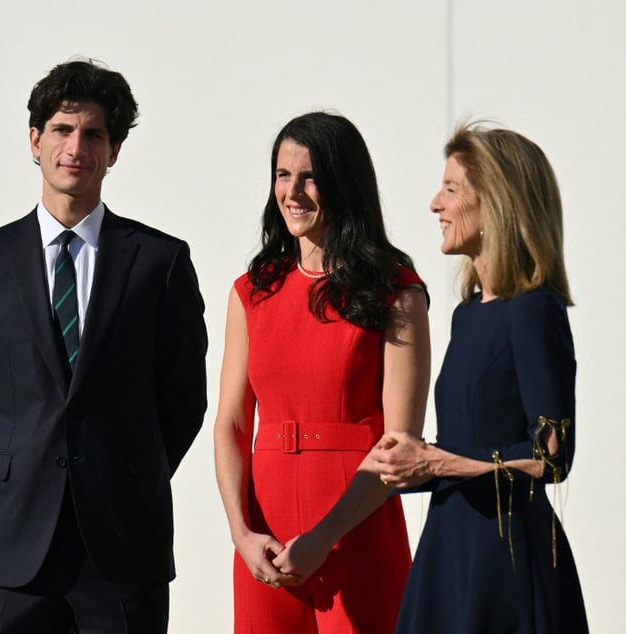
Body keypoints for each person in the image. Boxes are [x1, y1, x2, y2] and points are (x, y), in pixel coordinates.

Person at [0, 59, 208, 634]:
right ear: (35, 141)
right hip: (13, 542)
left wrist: (130, 470)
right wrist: (13, 466)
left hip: (124, 539)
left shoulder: (160, 262)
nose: (76, 146)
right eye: (62, 129)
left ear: (113, 152)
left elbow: (184, 397)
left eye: (94, 134)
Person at [214, 112, 431, 633]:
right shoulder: (252, 291)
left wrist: (323, 536)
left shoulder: (396, 291)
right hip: (264, 537)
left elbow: (400, 442)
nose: (293, 191)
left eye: (310, 176)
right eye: (283, 175)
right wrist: (241, 533)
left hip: (355, 523)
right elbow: (232, 424)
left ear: (344, 182)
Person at [372, 123, 589, 633]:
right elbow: (463, 444)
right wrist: (411, 464)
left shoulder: (536, 311)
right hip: (448, 548)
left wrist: (436, 460)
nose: (434, 203)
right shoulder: (466, 316)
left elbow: (552, 459)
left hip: (506, 562)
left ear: (495, 203)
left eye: (451, 188)